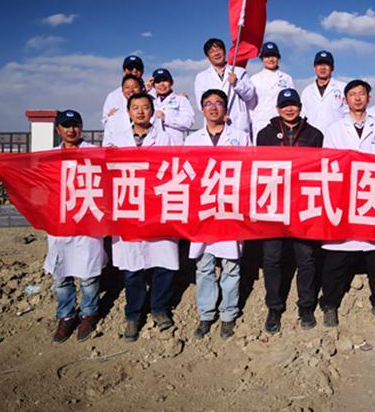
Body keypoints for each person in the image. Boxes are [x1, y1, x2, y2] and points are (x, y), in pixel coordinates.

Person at [319, 79, 375, 329]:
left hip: (371, 198)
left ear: (368, 98)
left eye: (362, 93)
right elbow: (328, 162)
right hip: (343, 198)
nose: (358, 98)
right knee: (337, 257)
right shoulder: (334, 129)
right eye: (352, 94)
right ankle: (330, 304)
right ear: (346, 100)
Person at [104, 93, 178, 341]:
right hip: (130, 207)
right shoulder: (117, 140)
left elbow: (176, 167)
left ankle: (160, 309)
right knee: (132, 265)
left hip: (159, 206)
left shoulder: (166, 138)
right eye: (135, 107)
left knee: (163, 261)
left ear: (152, 111)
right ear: (128, 112)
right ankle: (133, 314)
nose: (140, 112)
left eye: (145, 107)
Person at [184, 89, 250, 340]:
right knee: (204, 265)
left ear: (226, 108)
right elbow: (186, 174)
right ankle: (206, 314)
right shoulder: (192, 140)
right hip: (203, 209)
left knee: (231, 266)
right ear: (202, 109)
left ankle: (228, 314)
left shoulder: (241, 137)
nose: (213, 108)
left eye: (219, 103)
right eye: (208, 103)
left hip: (231, 208)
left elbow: (249, 171)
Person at [256, 88, 323, 333]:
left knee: (306, 257)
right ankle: (274, 307)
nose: (289, 109)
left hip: (302, 204)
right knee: (272, 258)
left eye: (293, 104)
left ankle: (306, 306)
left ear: (300, 107)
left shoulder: (314, 135)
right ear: (277, 109)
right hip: (273, 203)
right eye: (284, 105)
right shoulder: (264, 134)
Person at [46, 110, 106, 343]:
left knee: (88, 273)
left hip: (87, 219)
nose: (71, 130)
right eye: (66, 126)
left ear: (81, 128)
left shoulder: (94, 152)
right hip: (60, 221)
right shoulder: (50, 156)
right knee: (61, 274)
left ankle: (88, 314)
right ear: (58, 130)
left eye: (75, 125)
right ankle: (66, 315)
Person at [194, 38, 257, 135]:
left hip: (237, 123)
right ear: (207, 57)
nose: (216, 53)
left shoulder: (239, 71)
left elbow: (249, 95)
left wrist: (237, 83)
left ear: (224, 51)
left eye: (219, 49)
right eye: (212, 51)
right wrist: (219, 116)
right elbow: (201, 104)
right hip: (214, 124)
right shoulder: (202, 77)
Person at [249, 42, 295, 142]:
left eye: (273, 56)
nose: (271, 59)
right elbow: (250, 106)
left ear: (278, 58)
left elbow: (293, 103)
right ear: (262, 58)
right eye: (267, 56)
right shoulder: (254, 79)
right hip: (261, 122)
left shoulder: (287, 78)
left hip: (282, 123)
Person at [300, 50, 348, 133]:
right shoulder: (307, 91)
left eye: (326, 64)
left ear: (333, 68)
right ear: (314, 68)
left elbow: (348, 113)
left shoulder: (343, 88)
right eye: (319, 64)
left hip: (337, 135)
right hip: (312, 136)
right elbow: (302, 116)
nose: (322, 68)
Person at [151, 68, 195, 143]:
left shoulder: (181, 100)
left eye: (165, 80)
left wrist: (166, 119)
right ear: (153, 85)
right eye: (158, 81)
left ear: (171, 82)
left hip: (175, 145)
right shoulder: (151, 103)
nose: (162, 84)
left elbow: (189, 122)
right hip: (155, 146)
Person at [101, 55, 145, 125]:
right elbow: (105, 121)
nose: (134, 71)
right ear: (124, 71)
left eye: (138, 68)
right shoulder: (113, 96)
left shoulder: (152, 94)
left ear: (142, 71)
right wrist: (112, 117)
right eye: (130, 68)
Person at [103, 74, 144, 146]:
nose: (131, 90)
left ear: (141, 89)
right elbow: (107, 144)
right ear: (122, 90)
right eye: (127, 87)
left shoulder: (150, 114)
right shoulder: (114, 117)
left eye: (135, 87)